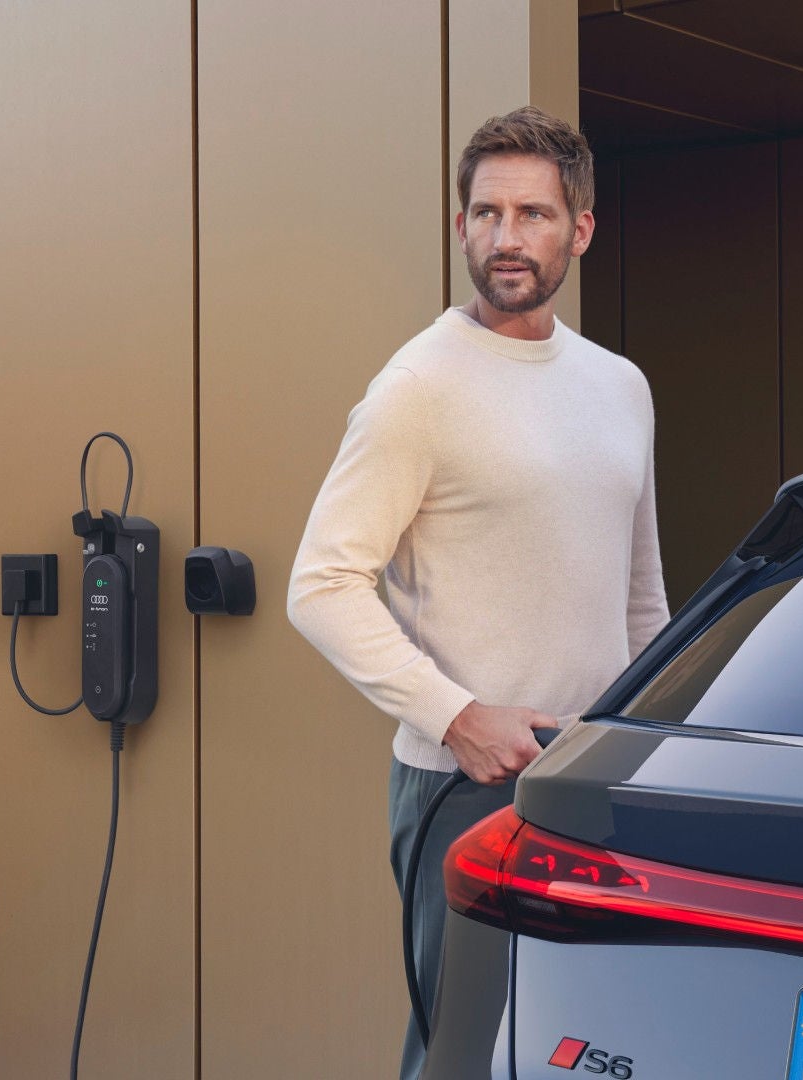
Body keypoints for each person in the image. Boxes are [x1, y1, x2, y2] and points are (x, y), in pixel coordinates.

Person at [287, 105, 669, 1079]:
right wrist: (457, 717)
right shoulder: (419, 386)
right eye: (487, 212)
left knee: (588, 1049)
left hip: (598, 782)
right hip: (465, 788)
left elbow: (641, 602)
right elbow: (320, 585)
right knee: (466, 1053)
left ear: (580, 229)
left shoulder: (621, 386)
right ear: (461, 225)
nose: (508, 237)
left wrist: (649, 747)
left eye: (534, 214)